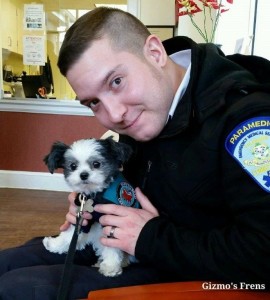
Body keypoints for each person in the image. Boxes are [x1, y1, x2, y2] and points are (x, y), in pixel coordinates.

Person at [1, 6, 270, 299]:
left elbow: (262, 253)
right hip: (125, 241)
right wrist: (95, 199)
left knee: (17, 288)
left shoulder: (249, 124)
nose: (114, 114)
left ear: (154, 52)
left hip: (197, 272)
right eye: (93, 102)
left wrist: (152, 237)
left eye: (116, 81)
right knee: (6, 264)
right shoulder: (146, 109)